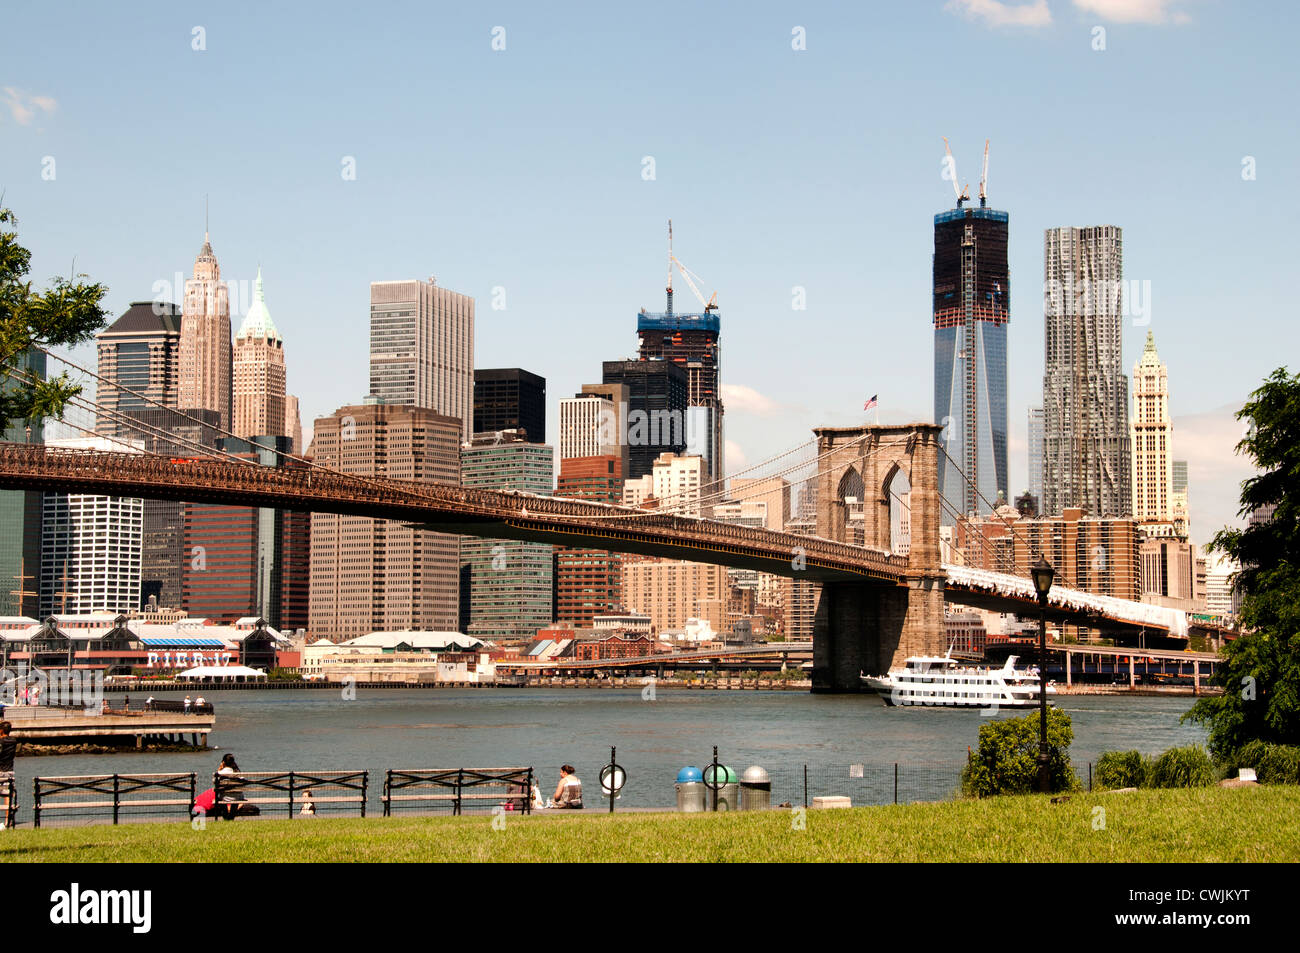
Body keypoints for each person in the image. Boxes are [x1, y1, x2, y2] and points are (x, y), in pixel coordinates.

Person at [0, 721, 15, 829]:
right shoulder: (13, 741)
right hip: (9, 771)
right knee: (7, 796)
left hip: (0, 771)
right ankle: (8, 820)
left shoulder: (1, 742)